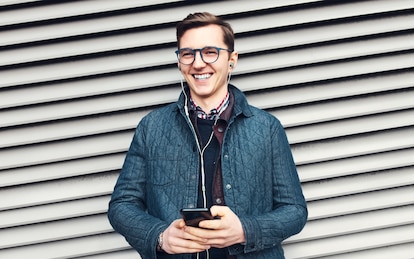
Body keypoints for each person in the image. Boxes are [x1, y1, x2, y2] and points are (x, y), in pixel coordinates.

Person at [108, 12, 308, 259]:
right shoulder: (152, 128)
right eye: (188, 53)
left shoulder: (267, 128)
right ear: (180, 61)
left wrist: (245, 231)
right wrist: (160, 236)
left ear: (232, 59)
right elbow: (121, 206)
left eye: (210, 52)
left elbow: (295, 211)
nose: (198, 63)